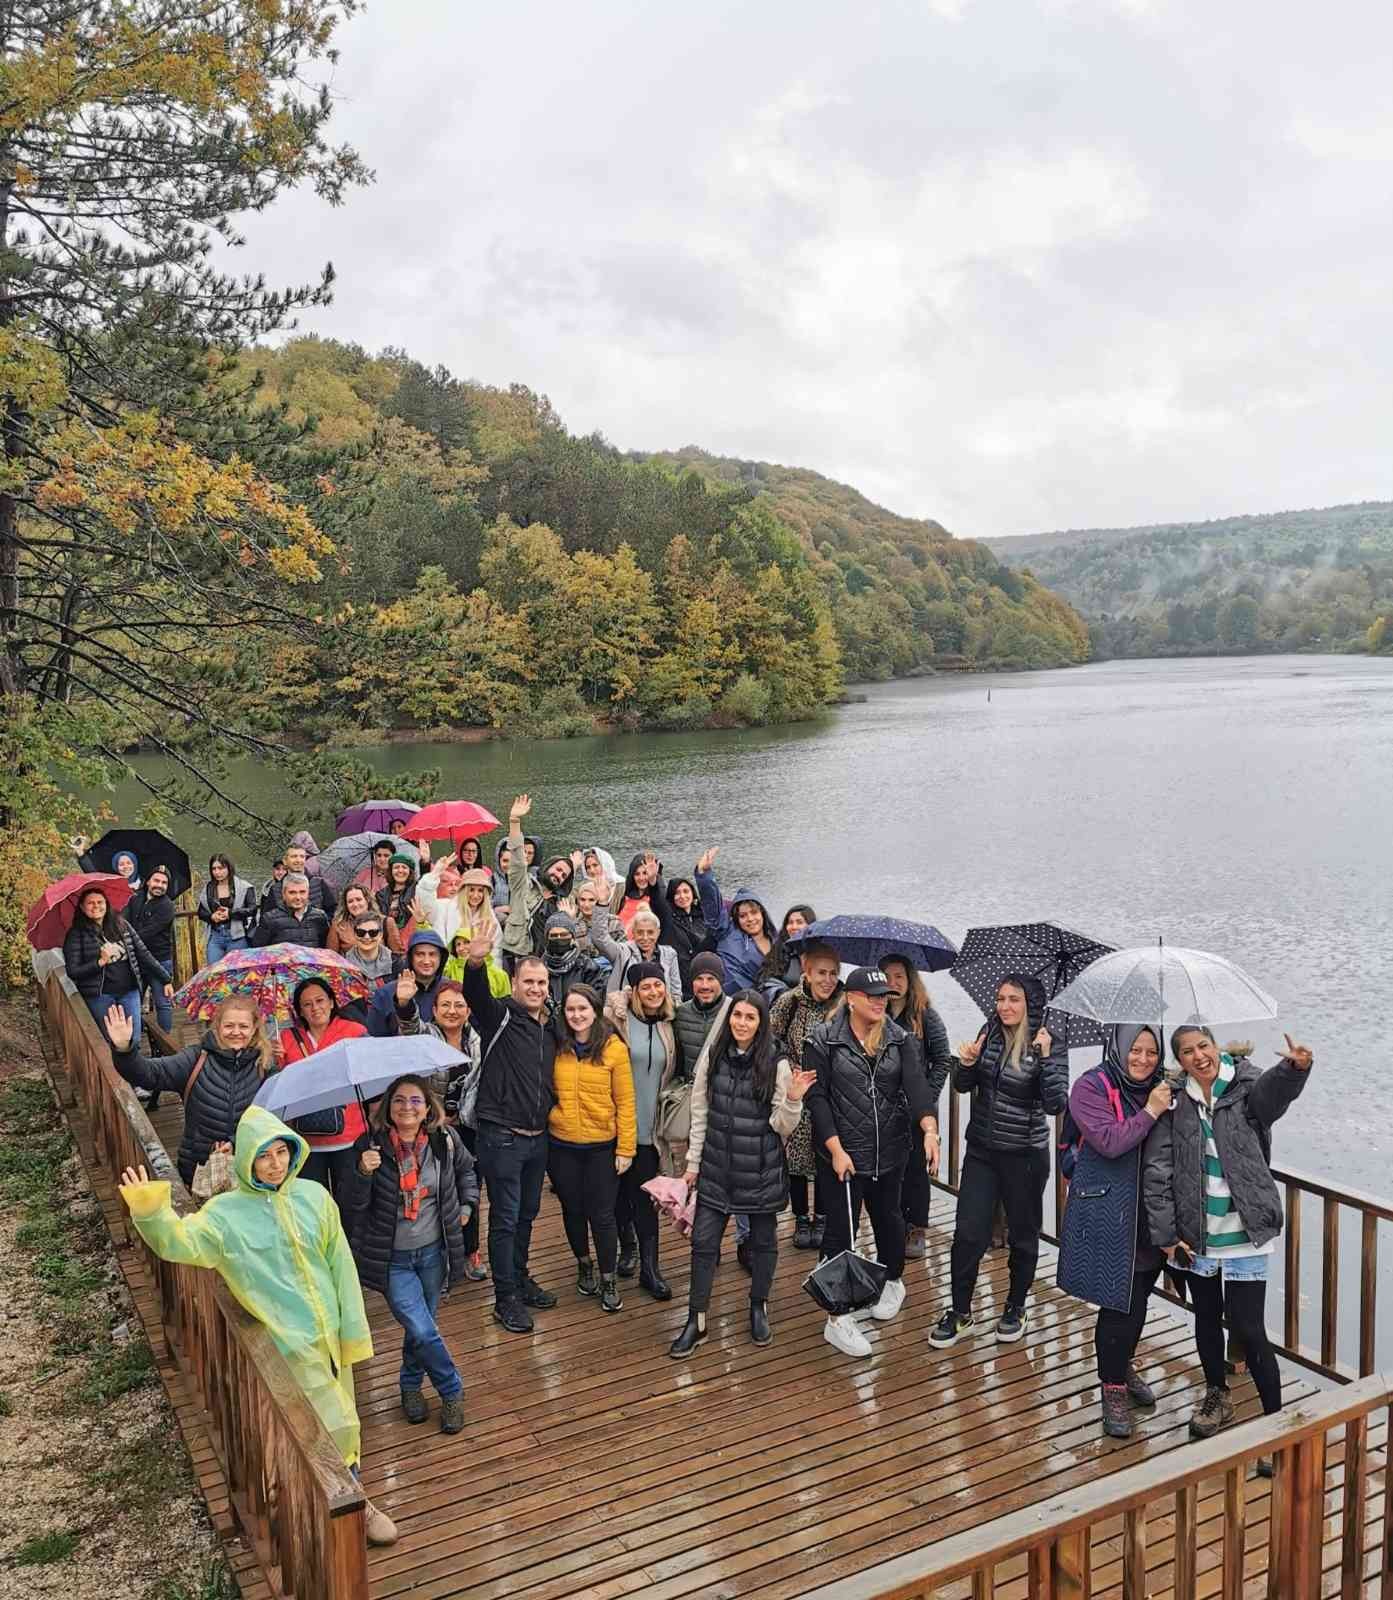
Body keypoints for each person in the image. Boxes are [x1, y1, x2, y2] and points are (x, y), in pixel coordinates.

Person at [117, 1107, 397, 1546]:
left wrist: (352, 1331)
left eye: (282, 1152)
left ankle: (349, 1506)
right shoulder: (225, 1215)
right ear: (247, 1158)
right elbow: (181, 1243)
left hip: (327, 1337)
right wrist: (151, 1210)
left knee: (342, 1421)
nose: (275, 1164)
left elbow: (341, 1265)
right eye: (264, 1155)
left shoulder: (314, 1198)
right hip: (283, 1345)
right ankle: (335, 1512)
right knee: (315, 1430)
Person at [1144, 1026, 1312, 1457]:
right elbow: (1158, 1171)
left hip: (1244, 1231)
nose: (1198, 1055)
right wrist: (1166, 1236)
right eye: (1187, 1051)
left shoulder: (1246, 1085)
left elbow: (1273, 1098)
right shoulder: (1173, 1101)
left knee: (1250, 1329)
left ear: (1216, 1047)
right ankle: (1217, 1395)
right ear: (1179, 1060)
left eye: (1204, 1046)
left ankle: (1276, 1426)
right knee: (1205, 1317)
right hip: (1197, 1234)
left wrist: (1294, 1069)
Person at [670, 991, 813, 1357]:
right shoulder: (713, 1056)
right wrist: (692, 1165)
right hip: (717, 1168)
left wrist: (793, 1099)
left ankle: (758, 1305)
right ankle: (696, 1319)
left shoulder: (776, 1064)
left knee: (763, 1243)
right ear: (729, 1018)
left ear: (761, 1022)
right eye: (737, 1015)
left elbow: (782, 1126)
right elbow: (700, 1113)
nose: (742, 1023)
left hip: (760, 1170)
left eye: (750, 1017)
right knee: (704, 1244)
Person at [805, 967, 938, 1358]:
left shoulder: (899, 1039)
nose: (881, 1002)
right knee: (840, 1233)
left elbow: (917, 1088)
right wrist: (835, 1149)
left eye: (885, 996)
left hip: (890, 1151)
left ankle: (893, 1280)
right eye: (873, 996)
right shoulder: (822, 1040)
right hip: (842, 1155)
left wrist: (930, 1130)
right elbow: (817, 1099)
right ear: (851, 998)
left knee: (890, 1220)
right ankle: (837, 1319)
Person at [930, 975, 1068, 1348]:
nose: (1004, 1006)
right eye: (1001, 998)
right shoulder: (988, 1031)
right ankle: (960, 1312)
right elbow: (963, 1085)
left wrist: (1045, 1058)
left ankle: (1015, 1306)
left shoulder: (1049, 1041)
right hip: (982, 1150)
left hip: (1025, 1155)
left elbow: (1056, 1103)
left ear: (1030, 1005)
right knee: (968, 1232)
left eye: (1014, 999)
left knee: (1023, 1235)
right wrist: (966, 1063)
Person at [346, 1074, 477, 1435]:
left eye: (415, 1100)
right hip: (393, 1259)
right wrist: (362, 1172)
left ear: (427, 1108)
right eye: (399, 1100)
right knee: (420, 1327)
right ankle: (451, 1390)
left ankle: (409, 1386)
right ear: (388, 1107)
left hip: (434, 1252)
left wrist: (468, 1205)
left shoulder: (444, 1140)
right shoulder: (368, 1146)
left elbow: (467, 1170)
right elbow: (352, 1207)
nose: (407, 1107)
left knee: (421, 1329)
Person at [1058, 1024, 1172, 1440]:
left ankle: (1121, 1365)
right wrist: (1152, 1111)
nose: (1143, 1059)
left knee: (1138, 1298)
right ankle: (1112, 1388)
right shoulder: (1090, 1087)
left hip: (1151, 1212)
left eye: (1152, 1052)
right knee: (1116, 1302)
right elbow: (1108, 1141)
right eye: (1135, 1050)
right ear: (1118, 1047)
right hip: (1108, 1210)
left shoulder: (1163, 1086)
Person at [459, 930, 558, 1334]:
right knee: (505, 1218)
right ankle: (505, 1298)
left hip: (537, 1137)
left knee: (527, 1214)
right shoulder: (498, 1014)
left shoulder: (550, 1025)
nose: (535, 989)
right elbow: (474, 994)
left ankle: (519, 1277)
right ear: (514, 983)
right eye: (528, 981)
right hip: (501, 1136)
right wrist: (476, 963)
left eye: (541, 982)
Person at [104, 996, 275, 1186]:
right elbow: (149, 1074)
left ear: (254, 1028)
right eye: (229, 1026)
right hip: (199, 1170)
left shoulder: (265, 1064)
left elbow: (273, 1118)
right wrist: (124, 1050)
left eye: (243, 1026)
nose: (236, 1032)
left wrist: (236, 1143)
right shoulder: (196, 1059)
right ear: (217, 1026)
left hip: (252, 1168)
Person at [548, 982, 636, 1313]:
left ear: (595, 1011)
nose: (576, 1015)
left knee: (602, 1215)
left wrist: (625, 1149)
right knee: (572, 1209)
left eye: (583, 1008)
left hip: (602, 1145)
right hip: (562, 1143)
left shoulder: (613, 1048)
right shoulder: (557, 1045)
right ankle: (584, 1264)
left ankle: (608, 1277)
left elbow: (625, 1102)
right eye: (570, 1009)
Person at [399, 979, 488, 1281]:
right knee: (436, 1189)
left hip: (469, 1128)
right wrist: (405, 1003)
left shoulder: (477, 1040)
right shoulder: (426, 1036)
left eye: (459, 1005)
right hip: (432, 1129)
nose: (452, 1011)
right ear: (434, 1010)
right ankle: (438, 1253)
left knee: (469, 1189)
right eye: (445, 1005)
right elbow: (409, 1025)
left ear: (468, 1010)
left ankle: (471, 1250)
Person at [604, 965, 680, 1299]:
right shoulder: (616, 1021)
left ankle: (651, 1269)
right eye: (646, 986)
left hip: (652, 1129)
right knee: (618, 1196)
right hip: (616, 1126)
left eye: (658, 985)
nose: (653, 992)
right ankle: (627, 1247)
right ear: (634, 991)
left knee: (645, 1199)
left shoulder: (670, 1022)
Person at [769, 941, 846, 1249]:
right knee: (797, 1160)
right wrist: (788, 1065)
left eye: (833, 973)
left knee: (827, 1155)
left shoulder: (844, 1003)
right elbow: (770, 1038)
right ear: (808, 973)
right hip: (797, 1090)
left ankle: (823, 1217)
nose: (828, 980)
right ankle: (801, 1218)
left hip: (832, 1092)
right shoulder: (790, 1001)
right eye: (821, 973)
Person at [881, 955, 953, 1261]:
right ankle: (893, 1222)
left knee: (916, 1170)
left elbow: (943, 1059)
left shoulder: (925, 1016)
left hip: (918, 1111)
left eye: (899, 976)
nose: (893, 983)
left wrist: (926, 1096)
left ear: (910, 980)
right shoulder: (877, 1013)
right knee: (889, 1168)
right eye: (887, 977)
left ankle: (917, 1228)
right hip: (885, 1107)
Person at [278, 976, 370, 1199]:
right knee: (312, 1203)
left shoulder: (355, 1032)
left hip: (350, 1134)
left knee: (350, 1201)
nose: (315, 1008)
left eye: (320, 1000)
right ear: (300, 1011)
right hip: (305, 1138)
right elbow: (281, 1088)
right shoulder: (286, 1039)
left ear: (331, 1002)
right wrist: (274, 1061)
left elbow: (369, 1073)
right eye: (307, 1004)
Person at [62, 886, 171, 1046]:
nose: (96, 906)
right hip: (101, 996)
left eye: (100, 902)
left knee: (134, 1039)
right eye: (90, 903)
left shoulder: (121, 925)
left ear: (106, 904)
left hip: (129, 991)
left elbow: (143, 953)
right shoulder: (76, 934)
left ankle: (133, 1063)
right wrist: (100, 962)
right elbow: (73, 971)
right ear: (82, 907)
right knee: (112, 1041)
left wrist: (165, 979)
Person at [693, 848, 778, 993]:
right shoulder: (727, 932)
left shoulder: (777, 940)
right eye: (743, 916)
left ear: (762, 913)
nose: (750, 919)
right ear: (737, 919)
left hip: (763, 1000)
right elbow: (712, 907)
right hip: (729, 998)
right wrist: (704, 875)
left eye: (754, 913)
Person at [501, 794, 575, 961]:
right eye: (558, 869)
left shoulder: (561, 904)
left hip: (545, 961)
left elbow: (568, 941)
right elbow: (518, 860)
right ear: (547, 866)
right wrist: (514, 821)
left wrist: (567, 920)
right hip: (517, 955)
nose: (559, 875)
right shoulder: (523, 884)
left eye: (564, 875)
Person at [367, 929, 449, 1037]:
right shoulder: (385, 993)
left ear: (441, 958)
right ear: (410, 958)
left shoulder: (450, 989)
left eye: (432, 954)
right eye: (420, 954)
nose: (426, 961)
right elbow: (374, 1038)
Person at [589, 904, 681, 997]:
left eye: (650, 932)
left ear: (658, 932)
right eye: (640, 932)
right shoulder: (622, 952)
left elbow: (675, 993)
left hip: (659, 1006)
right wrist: (602, 905)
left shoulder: (669, 954)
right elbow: (600, 939)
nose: (645, 937)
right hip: (626, 1006)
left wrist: (674, 1005)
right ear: (633, 932)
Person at [127, 864, 177, 1033]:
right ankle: (134, 1039)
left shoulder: (167, 906)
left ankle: (165, 1041)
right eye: (156, 880)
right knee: (134, 1001)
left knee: (162, 1003)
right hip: (137, 960)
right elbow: (125, 921)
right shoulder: (135, 898)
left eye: (164, 883)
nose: (160, 885)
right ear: (148, 881)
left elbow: (147, 933)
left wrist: (126, 938)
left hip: (159, 961)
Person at [539, 911, 608, 1010]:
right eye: (554, 936)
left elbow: (596, 999)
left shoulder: (587, 967)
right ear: (547, 939)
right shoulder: (539, 967)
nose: (559, 939)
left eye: (564, 935)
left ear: (572, 937)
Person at [198, 854, 258, 963]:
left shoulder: (244, 886)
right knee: (214, 969)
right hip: (215, 936)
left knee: (236, 970)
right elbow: (201, 912)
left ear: (229, 868)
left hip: (237, 936)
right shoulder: (208, 888)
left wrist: (230, 913)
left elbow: (253, 909)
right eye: (214, 869)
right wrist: (211, 916)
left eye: (221, 868)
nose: (217, 872)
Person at [663, 874, 712, 997]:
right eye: (677, 893)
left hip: (704, 975)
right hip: (680, 979)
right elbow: (657, 899)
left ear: (693, 893)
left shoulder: (703, 916)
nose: (682, 896)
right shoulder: (668, 919)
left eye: (686, 891)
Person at [252, 872, 330, 948]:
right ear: (283, 894)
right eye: (292, 893)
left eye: (302, 892)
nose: (298, 897)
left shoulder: (320, 917)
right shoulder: (269, 919)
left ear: (308, 893)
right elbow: (258, 950)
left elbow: (325, 948)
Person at [758, 904, 817, 999]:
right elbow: (764, 982)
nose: (794, 927)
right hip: (783, 1002)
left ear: (810, 925)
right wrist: (784, 993)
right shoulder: (779, 950)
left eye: (799, 922)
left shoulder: (820, 953)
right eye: (790, 922)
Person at [266, 839, 336, 918]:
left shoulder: (319, 884)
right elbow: (266, 918)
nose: (298, 860)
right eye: (294, 856)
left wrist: (318, 923)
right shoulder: (275, 889)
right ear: (285, 861)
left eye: (302, 856)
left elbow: (332, 912)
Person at [329, 884, 403, 957]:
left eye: (359, 899)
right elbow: (330, 957)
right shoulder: (338, 925)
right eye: (350, 901)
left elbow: (398, 955)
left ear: (367, 900)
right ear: (346, 905)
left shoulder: (386, 922)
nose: (355, 904)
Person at [340, 911, 400, 992]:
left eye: (373, 932)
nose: (367, 937)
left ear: (381, 935)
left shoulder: (396, 963)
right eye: (361, 932)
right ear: (354, 934)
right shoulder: (344, 966)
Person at [612, 850, 668, 934]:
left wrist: (652, 879)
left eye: (645, 873)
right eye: (637, 874)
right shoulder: (624, 897)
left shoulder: (659, 898)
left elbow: (660, 904)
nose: (641, 878)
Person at [377, 852, 419, 939]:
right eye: (396, 867)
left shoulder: (416, 889)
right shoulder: (380, 895)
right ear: (391, 871)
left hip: (411, 936)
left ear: (410, 871)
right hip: (387, 937)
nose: (400, 870)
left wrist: (425, 863)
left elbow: (426, 883)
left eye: (404, 867)